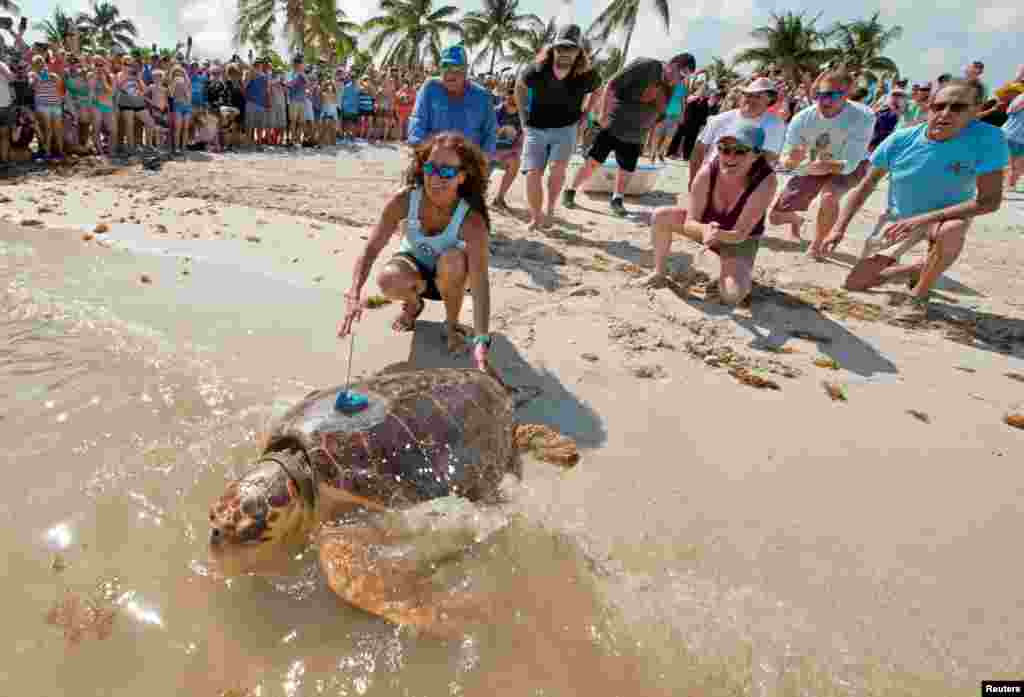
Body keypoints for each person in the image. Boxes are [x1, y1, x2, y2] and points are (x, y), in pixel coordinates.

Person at [824, 80, 1009, 318]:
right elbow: (865, 186)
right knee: (855, 284)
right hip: (900, 219)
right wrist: (838, 229)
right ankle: (917, 268)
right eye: (938, 106)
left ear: (976, 110)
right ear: (928, 106)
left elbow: (989, 201)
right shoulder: (900, 140)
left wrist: (925, 219)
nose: (945, 114)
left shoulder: (988, 138)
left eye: (958, 108)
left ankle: (919, 295)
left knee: (950, 231)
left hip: (946, 217)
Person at [338, 131, 494, 371]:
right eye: (431, 168)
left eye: (447, 171)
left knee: (452, 260)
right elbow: (371, 249)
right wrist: (353, 294)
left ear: (462, 177)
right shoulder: (405, 199)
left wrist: (482, 338)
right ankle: (413, 304)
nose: (436, 177)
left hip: (452, 280)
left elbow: (481, 284)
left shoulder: (471, 221)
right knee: (388, 279)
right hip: (414, 271)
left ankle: (452, 325)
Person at [639, 123, 777, 305]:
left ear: (756, 155)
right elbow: (690, 221)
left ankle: (735, 270)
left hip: (739, 240)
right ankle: (659, 273)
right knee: (661, 215)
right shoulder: (707, 173)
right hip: (705, 230)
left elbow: (740, 234)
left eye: (741, 151)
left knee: (732, 296)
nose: (730, 156)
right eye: (724, 149)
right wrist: (704, 230)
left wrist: (717, 234)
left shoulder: (766, 180)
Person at [564, 52, 695, 217]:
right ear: (672, 64)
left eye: (684, 78)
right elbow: (612, 85)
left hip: (637, 133)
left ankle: (617, 199)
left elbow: (660, 112)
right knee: (593, 161)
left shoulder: (672, 85)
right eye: (681, 74)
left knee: (627, 168)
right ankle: (570, 190)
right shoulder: (646, 65)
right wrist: (604, 114)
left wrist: (650, 133)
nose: (679, 80)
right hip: (614, 123)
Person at [768, 70, 875, 254]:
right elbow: (786, 157)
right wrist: (791, 161)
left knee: (829, 196)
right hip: (813, 162)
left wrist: (824, 166)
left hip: (851, 164)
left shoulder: (863, 117)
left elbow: (850, 163)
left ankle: (817, 244)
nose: (826, 100)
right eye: (822, 94)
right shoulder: (802, 118)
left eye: (834, 95)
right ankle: (796, 220)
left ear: (847, 95)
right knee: (776, 217)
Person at [514, 24, 601, 229]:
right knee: (533, 172)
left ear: (579, 52)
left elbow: (598, 90)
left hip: (566, 128)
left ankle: (551, 209)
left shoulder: (587, 75)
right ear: (553, 49)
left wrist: (585, 116)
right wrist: (522, 116)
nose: (564, 53)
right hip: (535, 127)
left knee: (557, 169)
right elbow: (520, 86)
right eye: (560, 48)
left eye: (570, 49)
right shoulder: (537, 69)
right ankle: (536, 216)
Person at [688, 77, 786, 191]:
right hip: (710, 179)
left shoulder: (775, 125)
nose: (750, 99)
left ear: (770, 101)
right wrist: (694, 181)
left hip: (743, 186)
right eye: (747, 95)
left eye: (758, 96)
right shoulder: (720, 119)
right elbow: (698, 150)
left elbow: (769, 158)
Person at [407, 45, 497, 157]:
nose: (450, 74)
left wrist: (484, 160)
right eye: (445, 67)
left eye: (456, 68)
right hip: (434, 155)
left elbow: (490, 132)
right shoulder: (430, 87)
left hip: (467, 160)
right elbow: (417, 120)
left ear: (465, 70)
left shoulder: (482, 96)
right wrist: (419, 144)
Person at [490, 88, 523, 209]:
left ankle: (499, 198)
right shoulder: (495, 112)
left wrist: (514, 151)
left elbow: (520, 141)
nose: (512, 97)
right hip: (489, 151)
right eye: (510, 93)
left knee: (515, 162)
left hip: (506, 153)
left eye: (516, 94)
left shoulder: (522, 116)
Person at [1003, 92, 1024, 192]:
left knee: (1018, 166)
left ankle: (1010, 185)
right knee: (1007, 164)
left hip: (1021, 139)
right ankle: (998, 185)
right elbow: (1010, 111)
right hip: (1010, 135)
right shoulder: (1021, 97)